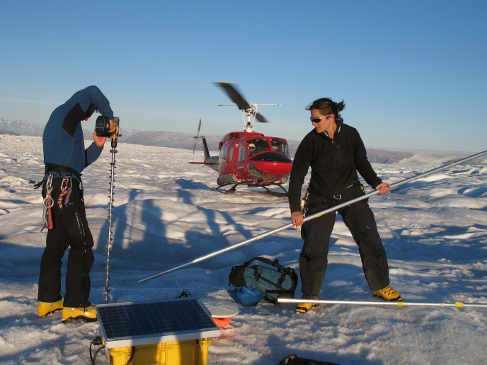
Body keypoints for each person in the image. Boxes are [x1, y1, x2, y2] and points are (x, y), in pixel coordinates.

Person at [288, 97, 401, 313]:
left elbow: (362, 163)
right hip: (320, 198)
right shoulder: (310, 141)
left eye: (316, 119)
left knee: (370, 240)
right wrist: (295, 208)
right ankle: (310, 295)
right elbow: (297, 176)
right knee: (314, 247)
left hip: (351, 194)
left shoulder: (351, 134)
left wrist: (376, 183)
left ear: (331, 117)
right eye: (312, 119)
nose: (313, 123)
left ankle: (381, 286)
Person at [37, 85, 118, 322]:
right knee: (82, 244)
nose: (91, 115)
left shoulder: (63, 126)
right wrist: (110, 118)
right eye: (92, 111)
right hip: (66, 191)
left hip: (55, 188)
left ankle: (48, 300)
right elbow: (93, 91)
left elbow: (78, 163)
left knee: (56, 245)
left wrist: (99, 144)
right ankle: (76, 304)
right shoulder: (66, 113)